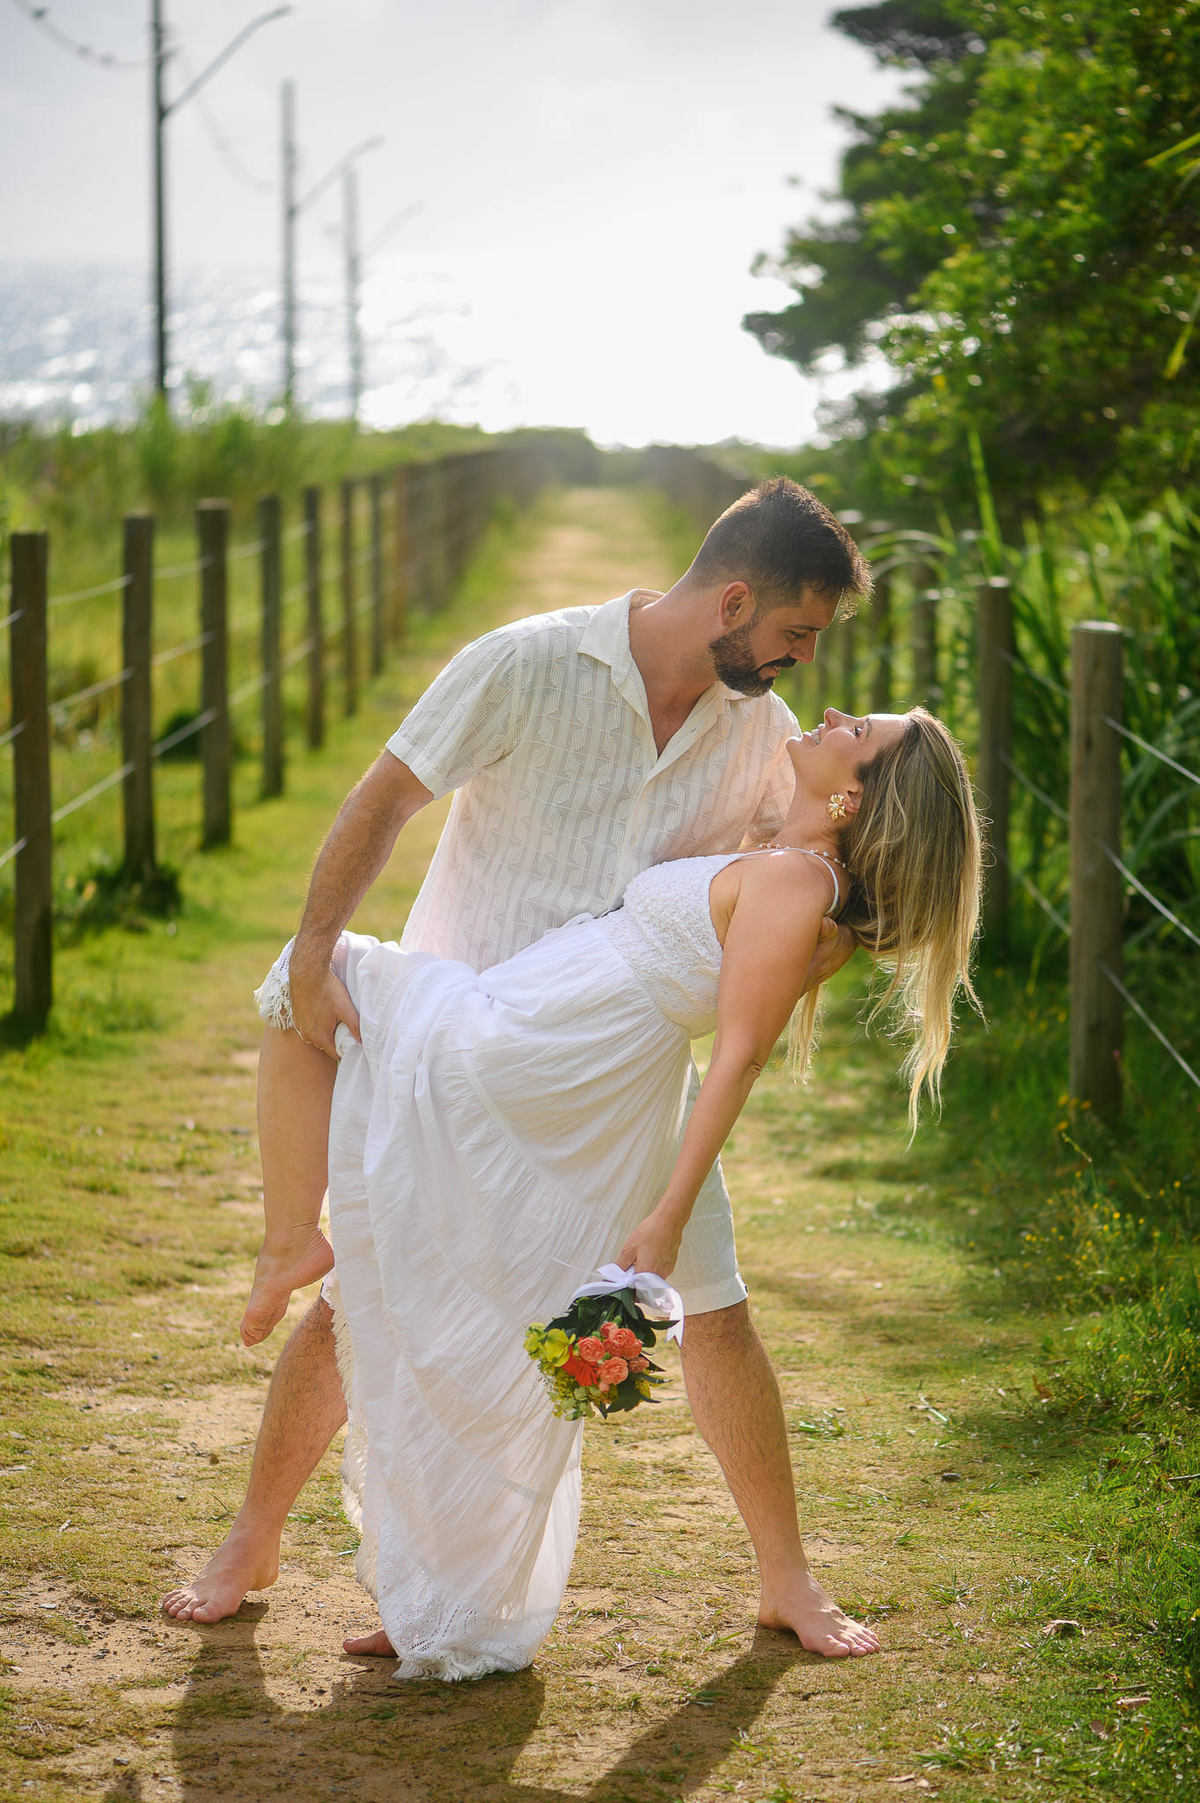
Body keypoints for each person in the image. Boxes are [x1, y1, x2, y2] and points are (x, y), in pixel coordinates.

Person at [162, 476, 874, 1650]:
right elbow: (386, 796)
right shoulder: (527, 662)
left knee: (719, 1314)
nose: (802, 661)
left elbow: (790, 878)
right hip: (466, 1053)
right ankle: (253, 1538)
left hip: (625, 1083)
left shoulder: (761, 733)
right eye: (797, 634)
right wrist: (310, 950)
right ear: (736, 600)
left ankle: (787, 1580)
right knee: (361, 1305)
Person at [215, 704, 982, 1681]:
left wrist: (664, 1215)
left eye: (860, 730)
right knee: (468, 1310)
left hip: (542, 1045)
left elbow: (741, 1057)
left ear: (855, 795)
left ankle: (290, 1240)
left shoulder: (797, 885)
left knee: (311, 973)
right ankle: (441, 1591)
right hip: (562, 1037)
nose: (834, 713)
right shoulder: (791, 868)